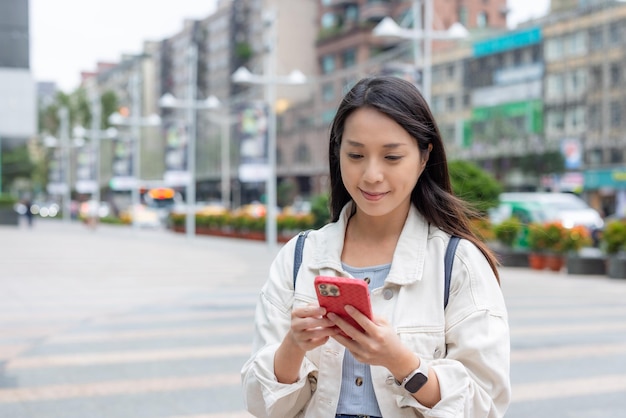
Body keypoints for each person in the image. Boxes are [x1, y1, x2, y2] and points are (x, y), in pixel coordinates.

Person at [241, 76, 510, 418]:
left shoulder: (459, 263)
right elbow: (259, 405)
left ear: (424, 157)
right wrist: (293, 348)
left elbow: (485, 406)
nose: (371, 175)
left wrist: (402, 363)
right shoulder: (299, 256)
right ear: (338, 153)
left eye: (392, 157)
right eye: (355, 154)